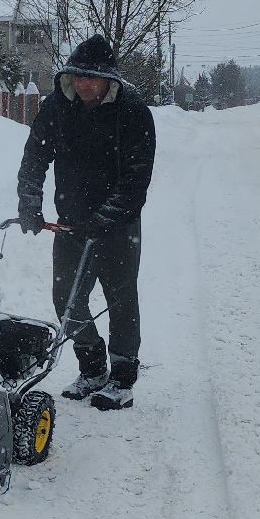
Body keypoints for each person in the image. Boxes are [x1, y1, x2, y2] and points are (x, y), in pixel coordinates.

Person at [16, 35, 156, 411]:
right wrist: (29, 201)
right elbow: (35, 157)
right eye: (77, 76)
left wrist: (105, 219)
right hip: (71, 223)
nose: (83, 84)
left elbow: (136, 181)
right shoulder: (58, 107)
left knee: (121, 298)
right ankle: (92, 367)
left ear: (109, 79)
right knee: (66, 298)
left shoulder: (133, 113)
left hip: (118, 226)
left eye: (92, 77)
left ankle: (122, 377)